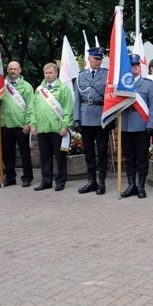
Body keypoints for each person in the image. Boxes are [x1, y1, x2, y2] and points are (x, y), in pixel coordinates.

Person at [120, 54, 153, 198]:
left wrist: (150, 125)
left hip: (142, 125)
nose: (135, 67)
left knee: (141, 157)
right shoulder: (122, 84)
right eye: (132, 65)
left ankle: (141, 185)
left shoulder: (148, 84)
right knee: (129, 157)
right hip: (125, 124)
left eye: (137, 64)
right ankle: (131, 185)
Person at [31, 63, 74, 192]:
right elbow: (33, 108)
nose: (48, 75)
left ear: (56, 73)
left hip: (58, 130)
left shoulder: (63, 89)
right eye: (46, 73)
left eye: (50, 73)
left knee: (60, 157)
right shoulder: (39, 90)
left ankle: (60, 181)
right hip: (42, 129)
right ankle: (46, 181)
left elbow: (68, 109)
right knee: (44, 157)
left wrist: (65, 126)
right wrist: (33, 124)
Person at [73, 47, 109, 195]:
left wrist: (109, 117)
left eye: (100, 59)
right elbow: (77, 99)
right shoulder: (81, 76)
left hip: (101, 117)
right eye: (96, 59)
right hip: (85, 116)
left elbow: (110, 98)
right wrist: (76, 119)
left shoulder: (106, 75)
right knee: (88, 151)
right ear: (89, 59)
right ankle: (91, 180)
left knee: (102, 151)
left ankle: (102, 182)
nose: (98, 62)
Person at [0, 61, 35, 187]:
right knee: (7, 154)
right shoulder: (1, 85)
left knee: (24, 153)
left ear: (20, 70)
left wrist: (28, 123)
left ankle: (27, 177)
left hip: (21, 126)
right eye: (10, 69)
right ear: (7, 70)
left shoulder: (26, 86)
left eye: (15, 69)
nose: (12, 71)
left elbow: (31, 106)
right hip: (5, 125)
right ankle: (10, 177)